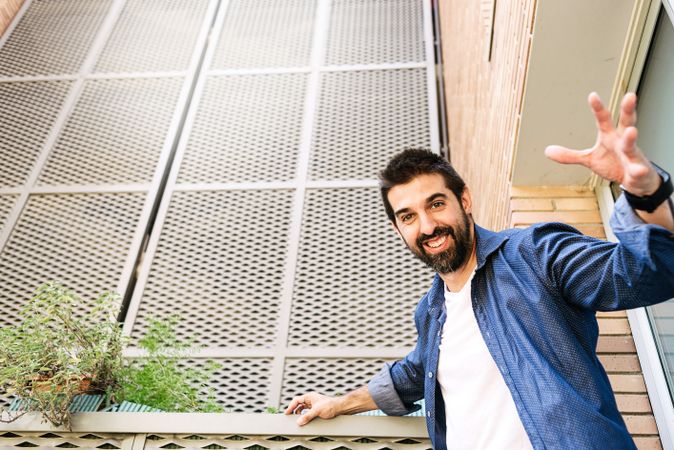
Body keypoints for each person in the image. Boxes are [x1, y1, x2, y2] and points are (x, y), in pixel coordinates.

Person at [284, 92, 674, 450]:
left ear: (464, 199)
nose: (427, 226)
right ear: (398, 228)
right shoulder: (431, 313)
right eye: (408, 216)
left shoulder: (534, 253)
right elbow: (411, 376)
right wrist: (338, 403)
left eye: (436, 204)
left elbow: (644, 274)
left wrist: (646, 194)